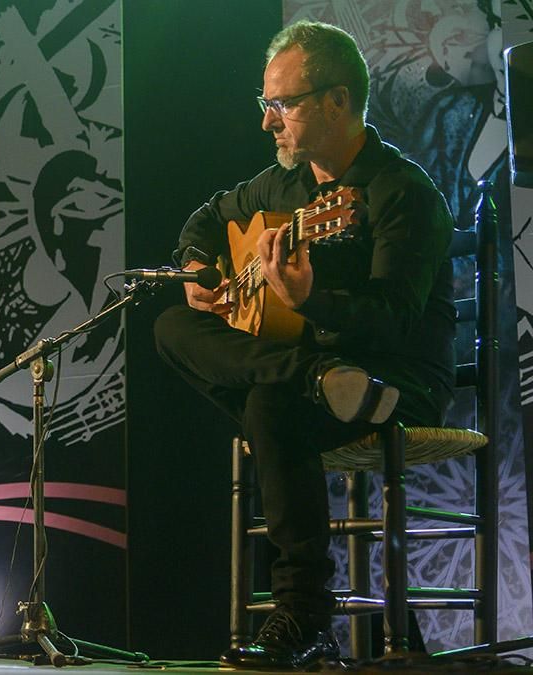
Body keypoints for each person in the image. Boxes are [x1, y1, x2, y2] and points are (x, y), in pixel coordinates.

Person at [153, 21, 455, 669]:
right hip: (316, 381)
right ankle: (311, 375)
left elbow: (399, 322)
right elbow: (206, 218)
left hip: (393, 383)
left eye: (282, 104)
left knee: (269, 405)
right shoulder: (280, 186)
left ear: (337, 102)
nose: (268, 122)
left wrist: (311, 300)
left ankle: (304, 612)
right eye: (265, 104)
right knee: (171, 326)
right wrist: (200, 266)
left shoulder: (403, 193)